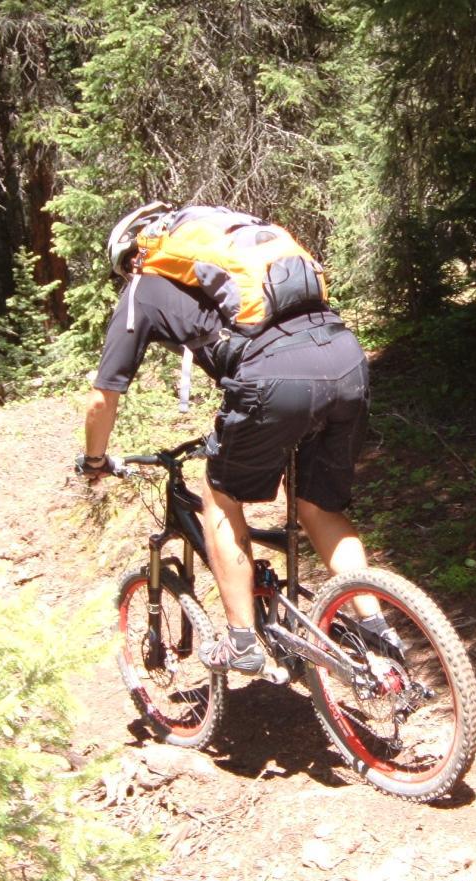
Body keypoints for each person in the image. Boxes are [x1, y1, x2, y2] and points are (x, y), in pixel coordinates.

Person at [79, 203, 399, 674]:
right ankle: (378, 630)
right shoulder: (231, 261)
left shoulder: (143, 285)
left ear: (131, 257)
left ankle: (242, 642)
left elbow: (102, 398)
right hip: (346, 359)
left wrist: (94, 461)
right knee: (318, 507)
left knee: (220, 496)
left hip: (276, 378)